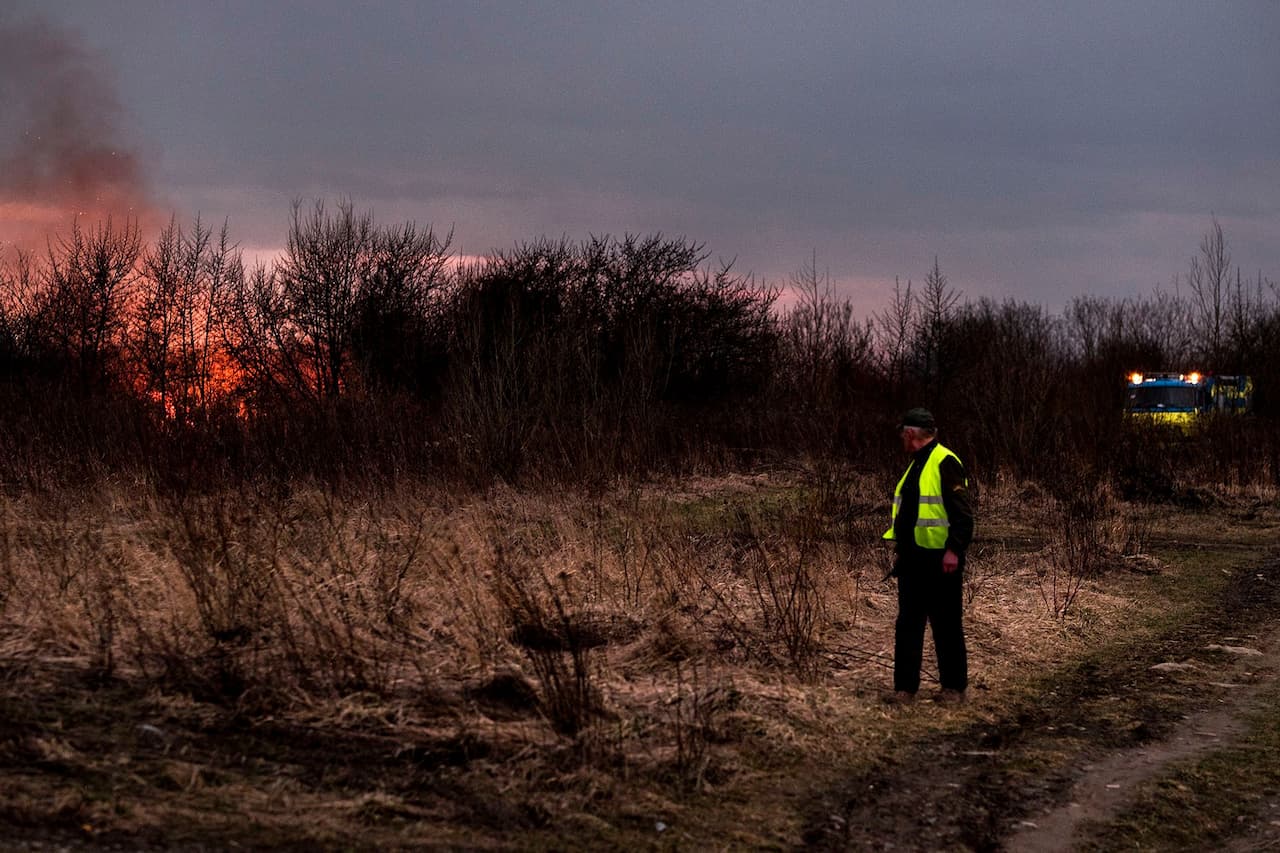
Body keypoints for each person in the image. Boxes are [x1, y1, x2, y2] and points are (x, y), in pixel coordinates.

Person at [882, 408, 973, 705]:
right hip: (912, 559)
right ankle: (905, 689)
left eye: (902, 435)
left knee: (946, 624)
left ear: (909, 434)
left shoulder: (945, 461)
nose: (901, 441)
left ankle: (954, 689)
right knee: (908, 624)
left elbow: (962, 514)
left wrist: (953, 550)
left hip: (940, 561)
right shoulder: (916, 464)